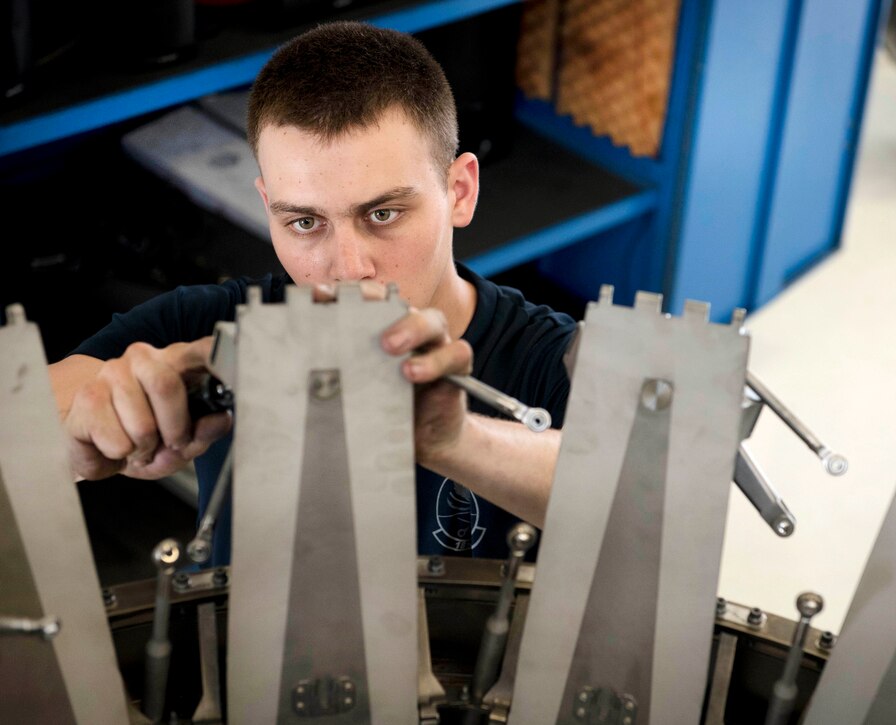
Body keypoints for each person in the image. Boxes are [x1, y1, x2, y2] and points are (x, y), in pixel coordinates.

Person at [48, 20, 578, 565]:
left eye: (384, 213)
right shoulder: (206, 330)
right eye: (305, 222)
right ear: (267, 205)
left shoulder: (548, 359)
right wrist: (88, 425)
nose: (348, 268)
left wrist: (455, 441)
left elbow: (654, 506)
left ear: (460, 192)